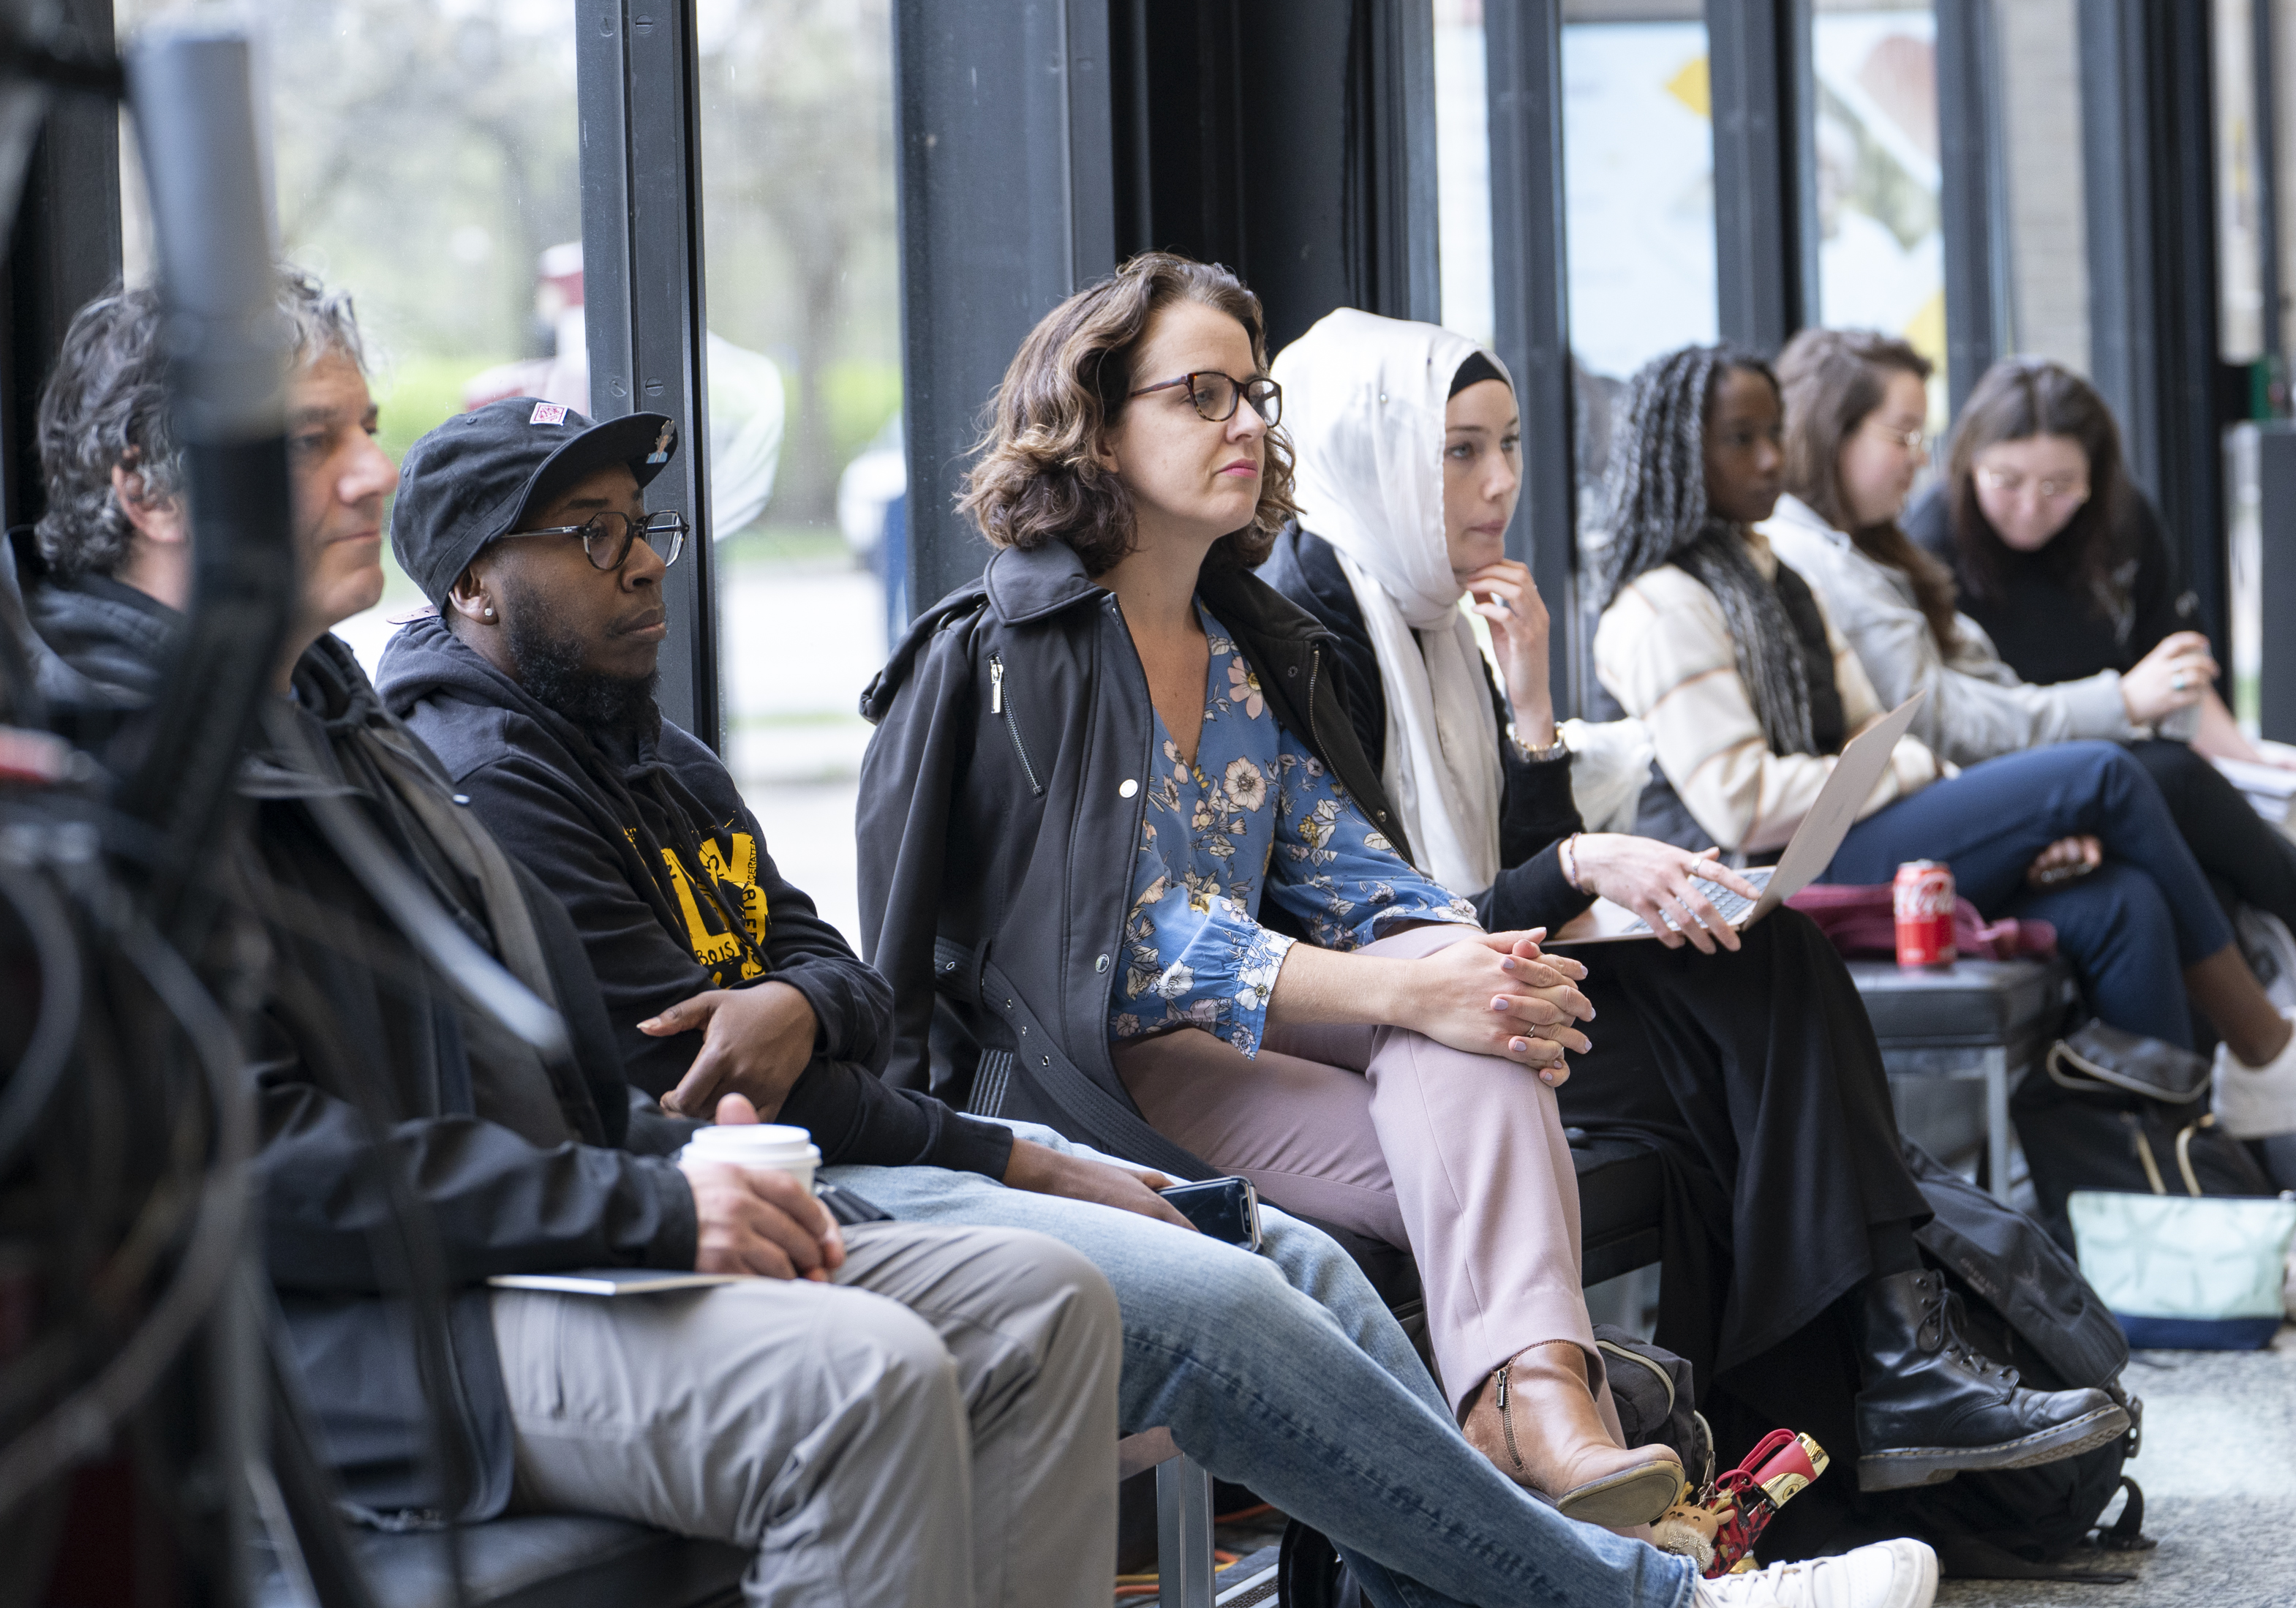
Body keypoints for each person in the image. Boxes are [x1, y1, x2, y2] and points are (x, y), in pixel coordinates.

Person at [371, 391, 1938, 1608]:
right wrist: (1006, 1141)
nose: (642, 556)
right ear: (470, 585)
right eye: (584, 534)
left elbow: (827, 968)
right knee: (1260, 1264)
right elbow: (788, 1055)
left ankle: (1548, 1432)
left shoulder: (659, 749)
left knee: (1377, 1159)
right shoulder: (526, 770)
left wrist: (1466, 949)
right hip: (961, 1122)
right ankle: (1632, 1569)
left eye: (638, 521)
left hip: (888, 1141)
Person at [857, 252, 1945, 1607]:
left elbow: (1360, 877)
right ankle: (1567, 1438)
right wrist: (1414, 992)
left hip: (1236, 1051)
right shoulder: (1008, 653)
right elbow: (1111, 946)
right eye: (1201, 395)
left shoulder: (1247, 648)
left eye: (1252, 392)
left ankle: (1540, 1408)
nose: (1249, 422)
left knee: (1459, 980)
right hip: (1082, 1077)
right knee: (1441, 1001)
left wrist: (1481, 962)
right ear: (1097, 421)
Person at [23, 278, 1126, 1608]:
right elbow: (251, 1169)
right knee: (863, 1377)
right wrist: (658, 1203)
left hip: (520, 1246)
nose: (374, 469)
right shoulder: (110, 770)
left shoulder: (336, 719)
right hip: (345, 1350)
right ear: (154, 488)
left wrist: (694, 1172)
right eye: (311, 439)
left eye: (365, 424)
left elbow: (539, 1078)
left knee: (1044, 1301)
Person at [1256, 306, 2128, 1500]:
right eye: (1460, 449)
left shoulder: (1434, 609)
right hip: (1401, 1021)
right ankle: (1886, 1357)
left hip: (1492, 981)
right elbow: (1395, 918)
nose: (1500, 480)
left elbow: (1519, 861)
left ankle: (1889, 1354)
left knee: (1763, 948)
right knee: (1756, 989)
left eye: (1508, 443)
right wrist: (1583, 868)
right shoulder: (1310, 625)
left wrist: (1530, 706)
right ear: (1376, 454)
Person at [1584, 342, 2296, 1141]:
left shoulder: (1776, 575)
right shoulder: (1661, 608)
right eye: (1739, 440)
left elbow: (1863, 736)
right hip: (1758, 886)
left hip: (1836, 842)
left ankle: (2179, 1203)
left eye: (1773, 433)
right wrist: (1925, 769)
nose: (1771, 457)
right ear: (1674, 453)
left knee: (2122, 904)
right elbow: (1745, 801)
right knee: (2109, 771)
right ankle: (2270, 1049)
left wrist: (1996, 813)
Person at [1763, 329, 2296, 1032]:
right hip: (2015, 775)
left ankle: (2279, 1090)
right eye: (1904, 436)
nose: (2029, 505)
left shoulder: (1872, 552)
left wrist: (2241, 757)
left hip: (2041, 767)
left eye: (2058, 485)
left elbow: (2169, 669)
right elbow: (1939, 724)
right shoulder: (1874, 548)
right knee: (2133, 791)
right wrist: (2109, 714)